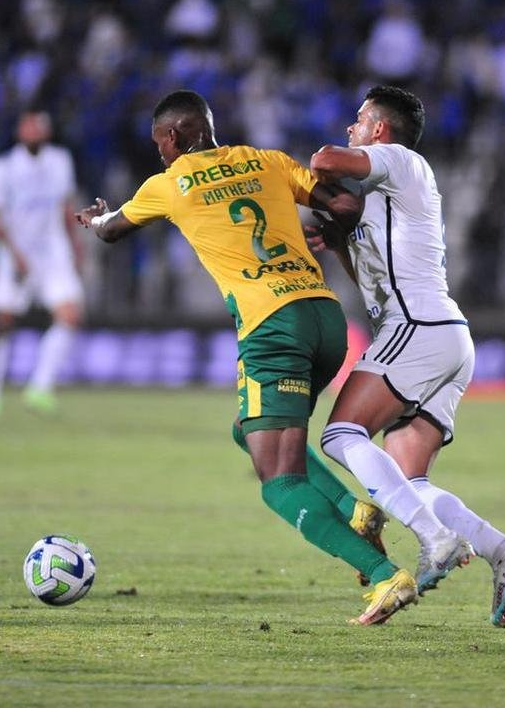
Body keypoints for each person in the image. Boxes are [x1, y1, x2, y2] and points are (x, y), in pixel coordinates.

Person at [75, 90, 418, 626]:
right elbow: (347, 205)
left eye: (159, 143)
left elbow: (114, 230)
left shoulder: (169, 184)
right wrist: (323, 234)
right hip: (325, 319)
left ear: (173, 138)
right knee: (248, 430)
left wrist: (95, 219)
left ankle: (383, 575)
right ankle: (355, 510)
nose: (159, 153)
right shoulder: (269, 161)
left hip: (271, 327)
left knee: (279, 482)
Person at [306, 85, 505, 627]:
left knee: (341, 435)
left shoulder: (400, 160)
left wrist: (319, 187)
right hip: (444, 334)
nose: (351, 128)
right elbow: (370, 285)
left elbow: (323, 162)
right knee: (407, 482)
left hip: (417, 327)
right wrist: (344, 239)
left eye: (359, 120)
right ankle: (504, 550)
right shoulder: (387, 203)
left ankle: (436, 539)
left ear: (381, 130)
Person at [0, 112, 85, 419]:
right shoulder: (3, 167)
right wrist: (14, 253)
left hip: (52, 252)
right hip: (16, 253)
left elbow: (65, 206)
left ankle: (39, 387)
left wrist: (76, 246)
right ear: (19, 131)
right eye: (29, 127)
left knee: (69, 315)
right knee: (4, 321)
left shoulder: (60, 160)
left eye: (39, 127)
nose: (35, 132)